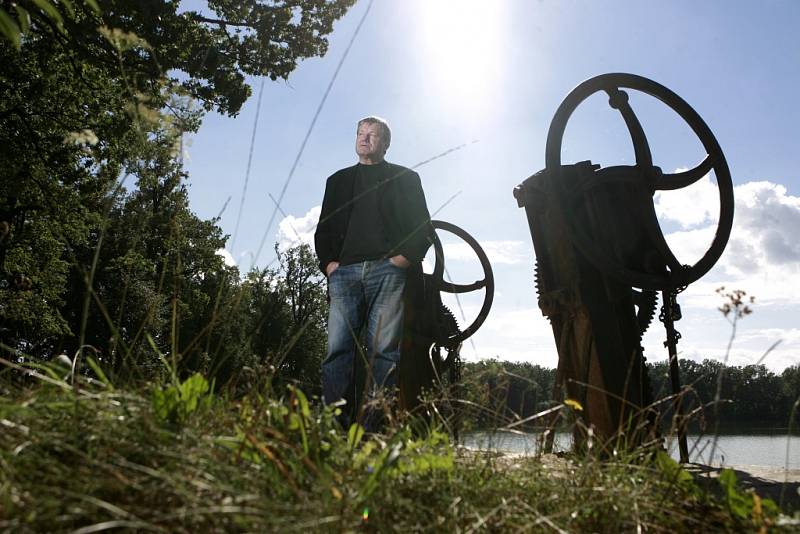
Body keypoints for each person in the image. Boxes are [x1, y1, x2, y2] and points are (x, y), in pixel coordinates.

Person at [314, 116, 433, 432]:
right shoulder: (336, 181)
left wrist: (404, 259)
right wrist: (329, 265)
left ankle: (372, 431)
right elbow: (323, 229)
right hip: (344, 273)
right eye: (361, 133)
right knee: (337, 351)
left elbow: (423, 226)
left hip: (388, 272)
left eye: (373, 135)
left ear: (386, 143)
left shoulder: (406, 179)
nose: (365, 139)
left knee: (383, 353)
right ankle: (334, 430)